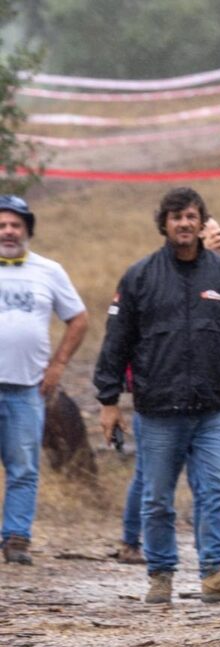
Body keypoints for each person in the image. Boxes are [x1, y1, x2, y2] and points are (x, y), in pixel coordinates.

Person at [94, 188, 220, 604]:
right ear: (164, 224)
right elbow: (116, 341)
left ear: (200, 220)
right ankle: (160, 574)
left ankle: (216, 572)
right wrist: (109, 400)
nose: (184, 224)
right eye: (176, 217)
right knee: (156, 499)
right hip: (157, 410)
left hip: (214, 408)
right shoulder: (139, 277)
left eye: (191, 216)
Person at [0, 196, 88, 566]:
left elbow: (78, 319)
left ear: (28, 230)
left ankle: (16, 538)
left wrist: (58, 365)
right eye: (2, 224)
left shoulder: (48, 271)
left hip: (27, 389)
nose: (8, 231)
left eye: (15, 225)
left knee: (23, 468)